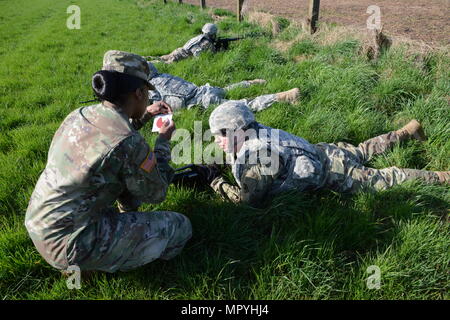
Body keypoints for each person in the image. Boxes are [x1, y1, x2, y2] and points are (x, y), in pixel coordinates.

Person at [24, 50, 192, 273]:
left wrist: (144, 116)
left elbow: (111, 142)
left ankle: (116, 235)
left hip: (40, 224)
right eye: (147, 92)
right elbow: (157, 193)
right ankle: (148, 267)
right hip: (72, 246)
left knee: (124, 177)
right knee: (180, 226)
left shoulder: (80, 114)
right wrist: (163, 141)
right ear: (139, 93)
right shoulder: (129, 143)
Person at [207, 101, 449, 208]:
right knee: (363, 150)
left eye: (220, 134)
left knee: (386, 180)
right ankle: (406, 132)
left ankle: (442, 177)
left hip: (333, 173)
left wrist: (215, 181)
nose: (216, 140)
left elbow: (248, 203)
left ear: (238, 130)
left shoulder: (258, 158)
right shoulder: (256, 129)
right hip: (325, 150)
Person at [148, 62, 300, 112]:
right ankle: (250, 82)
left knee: (245, 105)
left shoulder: (150, 91)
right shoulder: (164, 76)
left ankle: (285, 96)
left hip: (202, 102)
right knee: (227, 89)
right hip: (205, 89)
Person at [149, 23, 218, 64]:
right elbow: (198, 55)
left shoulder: (200, 36)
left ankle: (143, 59)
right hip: (182, 56)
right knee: (161, 63)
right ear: (212, 34)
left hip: (178, 51)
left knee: (161, 58)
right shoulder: (206, 43)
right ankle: (144, 64)